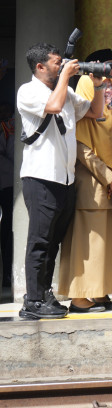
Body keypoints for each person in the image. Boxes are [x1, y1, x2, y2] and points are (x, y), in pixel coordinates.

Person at [16, 43, 105, 319]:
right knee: (40, 240)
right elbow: (53, 107)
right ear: (40, 67)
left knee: (54, 241)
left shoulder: (64, 90)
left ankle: (44, 295)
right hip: (40, 177)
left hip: (64, 179)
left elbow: (94, 112)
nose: (62, 66)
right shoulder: (27, 91)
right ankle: (31, 301)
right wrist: (67, 75)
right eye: (57, 63)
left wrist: (98, 84)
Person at [58, 76, 112, 313]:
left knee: (105, 246)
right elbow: (82, 151)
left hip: (110, 188)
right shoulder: (83, 117)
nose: (107, 91)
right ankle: (79, 298)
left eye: (109, 86)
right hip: (92, 188)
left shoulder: (110, 114)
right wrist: (109, 177)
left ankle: (98, 291)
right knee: (88, 247)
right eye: (101, 87)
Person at [0, 102, 13, 288]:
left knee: (7, 230)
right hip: (7, 182)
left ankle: (7, 277)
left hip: (9, 184)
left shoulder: (9, 127)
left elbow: (12, 153)